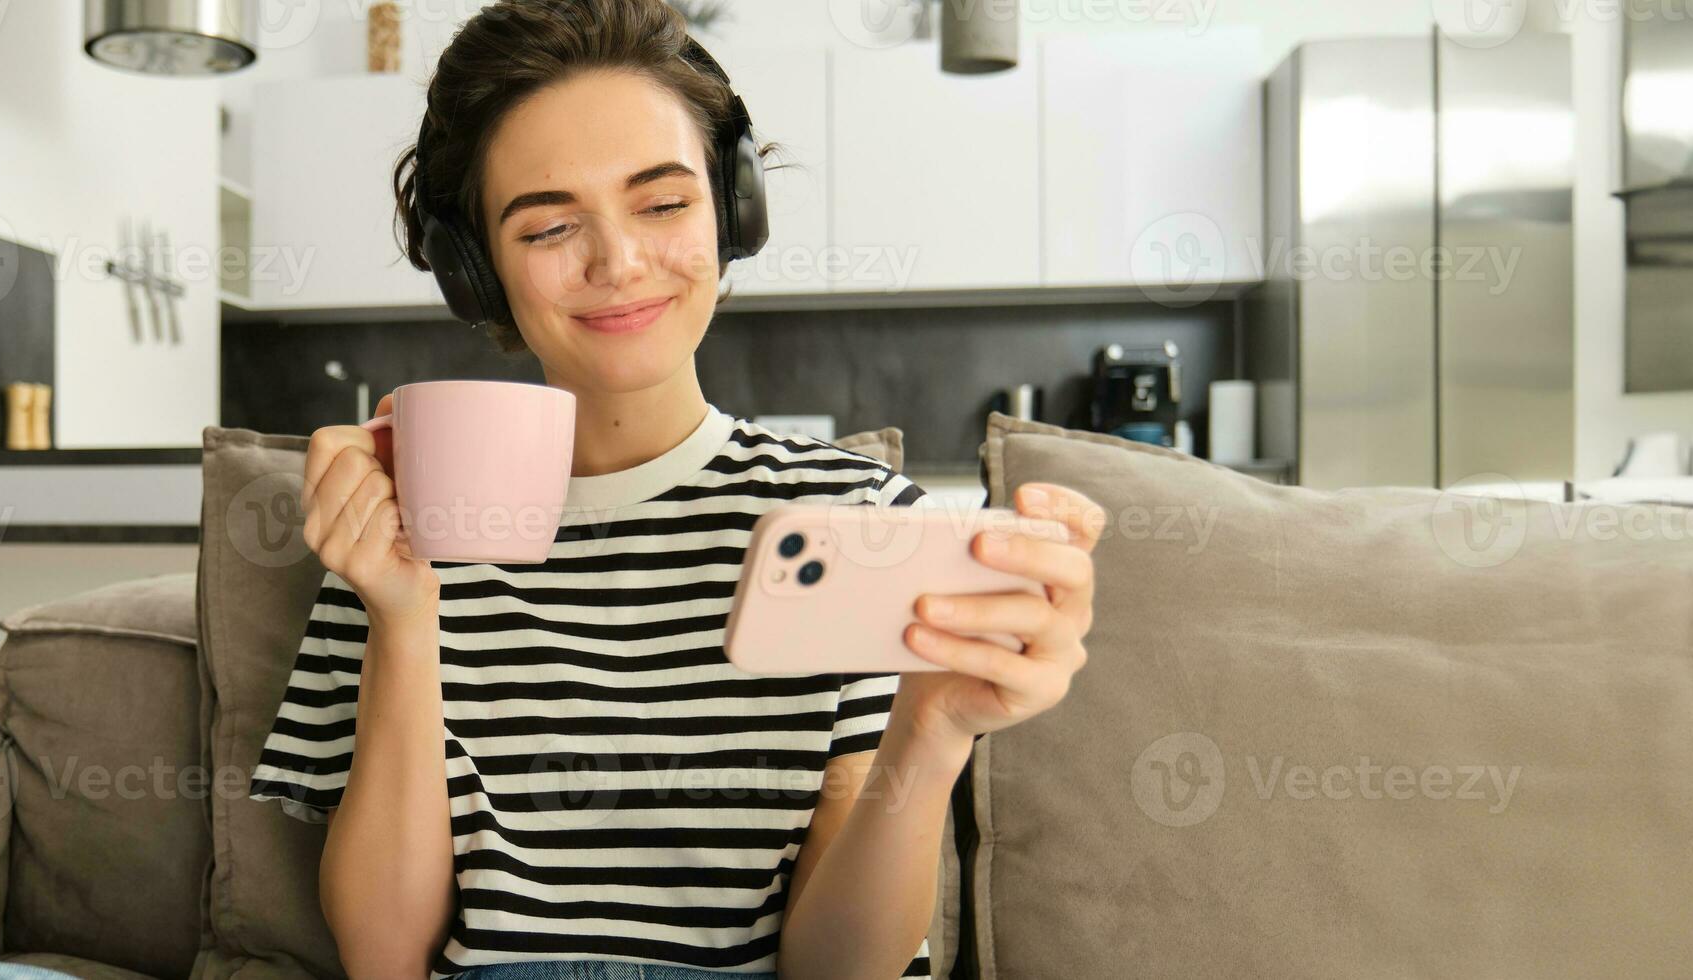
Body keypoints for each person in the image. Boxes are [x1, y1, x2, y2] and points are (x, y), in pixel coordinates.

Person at [243, 1, 1107, 978]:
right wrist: (402, 615)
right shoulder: (392, 529)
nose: (616, 263)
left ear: (732, 211)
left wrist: (930, 726)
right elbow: (382, 955)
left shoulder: (856, 522)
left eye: (661, 204)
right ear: (474, 270)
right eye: (549, 225)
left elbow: (835, 968)